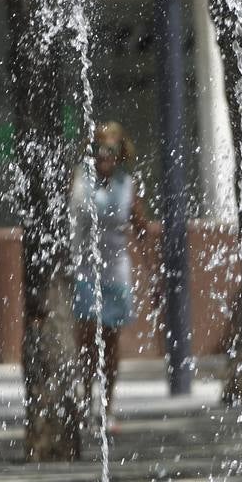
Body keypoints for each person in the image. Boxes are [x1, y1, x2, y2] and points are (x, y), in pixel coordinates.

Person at [71, 121, 150, 430]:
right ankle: (84, 401)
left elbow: (142, 231)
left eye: (111, 150)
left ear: (120, 154)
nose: (105, 156)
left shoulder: (127, 185)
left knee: (111, 341)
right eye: (100, 149)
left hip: (116, 272)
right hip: (86, 271)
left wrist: (153, 273)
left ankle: (106, 406)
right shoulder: (81, 181)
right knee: (87, 339)